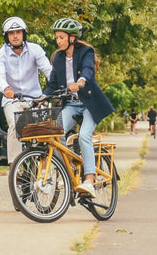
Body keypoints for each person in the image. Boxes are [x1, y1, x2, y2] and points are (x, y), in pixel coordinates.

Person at [44, 17, 115, 197]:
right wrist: (42, 97)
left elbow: (88, 70)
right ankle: (67, 170)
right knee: (55, 132)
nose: (58, 40)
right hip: (71, 104)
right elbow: (52, 83)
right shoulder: (58, 58)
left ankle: (89, 180)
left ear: (72, 38)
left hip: (89, 104)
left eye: (61, 37)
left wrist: (81, 81)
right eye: (56, 37)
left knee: (84, 136)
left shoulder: (86, 52)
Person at [0, 17, 52, 165]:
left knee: (47, 130)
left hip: (35, 100)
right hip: (12, 101)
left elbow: (49, 70)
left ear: (23, 34)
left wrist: (55, 87)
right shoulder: (0, 55)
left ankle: (46, 169)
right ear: (6, 36)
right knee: (15, 124)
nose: (15, 36)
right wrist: (6, 88)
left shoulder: (35, 50)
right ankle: (15, 167)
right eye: (11, 33)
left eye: (18, 32)